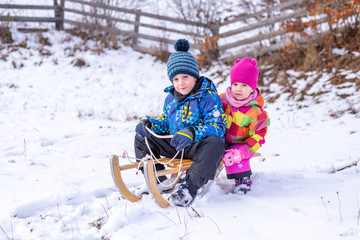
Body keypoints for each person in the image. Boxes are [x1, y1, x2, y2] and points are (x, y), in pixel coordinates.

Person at [134, 39, 227, 207]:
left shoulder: (207, 96)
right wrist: (151, 124)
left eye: (185, 76)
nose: (180, 83)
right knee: (142, 136)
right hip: (176, 145)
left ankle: (189, 187)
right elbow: (165, 122)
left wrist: (192, 132)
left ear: (195, 75)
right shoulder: (170, 98)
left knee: (216, 143)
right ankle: (158, 179)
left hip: (197, 147)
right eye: (175, 79)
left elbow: (217, 127)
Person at [219, 57, 270, 193]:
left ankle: (243, 180)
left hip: (243, 144)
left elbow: (259, 135)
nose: (238, 89)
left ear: (252, 87)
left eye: (244, 85)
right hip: (222, 139)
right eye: (235, 84)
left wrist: (243, 150)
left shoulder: (256, 112)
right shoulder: (223, 100)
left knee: (235, 154)